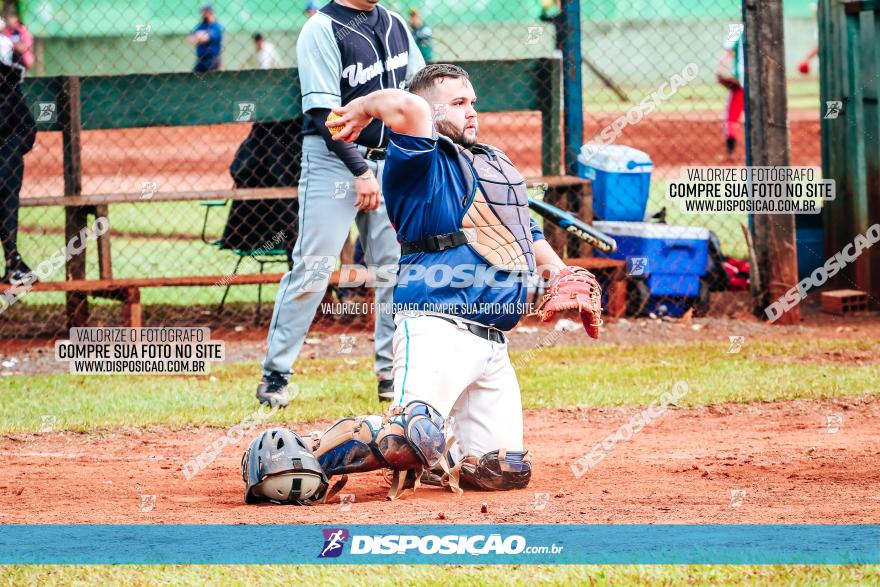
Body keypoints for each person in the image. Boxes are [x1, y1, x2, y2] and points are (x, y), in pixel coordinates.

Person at [240, 63, 602, 505]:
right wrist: (361, 106)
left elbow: (525, 231)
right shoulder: (418, 159)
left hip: (493, 342)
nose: (472, 112)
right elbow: (407, 105)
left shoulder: (492, 164)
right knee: (411, 437)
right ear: (430, 114)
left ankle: (437, 452)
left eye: (473, 102)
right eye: (458, 103)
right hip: (435, 325)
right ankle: (298, 454)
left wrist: (561, 272)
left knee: (502, 472)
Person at [256, 0, 425, 407]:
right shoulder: (321, 28)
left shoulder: (396, 23)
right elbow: (322, 114)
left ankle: (391, 374)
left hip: (393, 160)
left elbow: (421, 93)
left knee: (393, 272)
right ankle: (276, 374)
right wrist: (360, 172)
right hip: (334, 164)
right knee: (314, 267)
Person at [0, 15, 36, 284]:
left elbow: (26, 132)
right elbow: (27, 131)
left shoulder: (9, 88)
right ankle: (13, 261)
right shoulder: (9, 86)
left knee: (8, 170)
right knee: (8, 180)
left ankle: (13, 262)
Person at [717, 28, 745, 156]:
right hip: (760, 81)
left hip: (741, 80)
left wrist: (720, 71)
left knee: (732, 116)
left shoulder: (736, 29)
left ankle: (730, 151)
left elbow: (727, 54)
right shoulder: (764, 26)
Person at [187, 5, 223, 73]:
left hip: (212, 58)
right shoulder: (201, 25)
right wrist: (200, 36)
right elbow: (190, 38)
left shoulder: (216, 26)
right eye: (202, 11)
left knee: (210, 77)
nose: (203, 13)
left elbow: (207, 38)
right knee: (195, 74)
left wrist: (198, 37)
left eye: (205, 11)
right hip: (201, 58)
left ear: (210, 12)